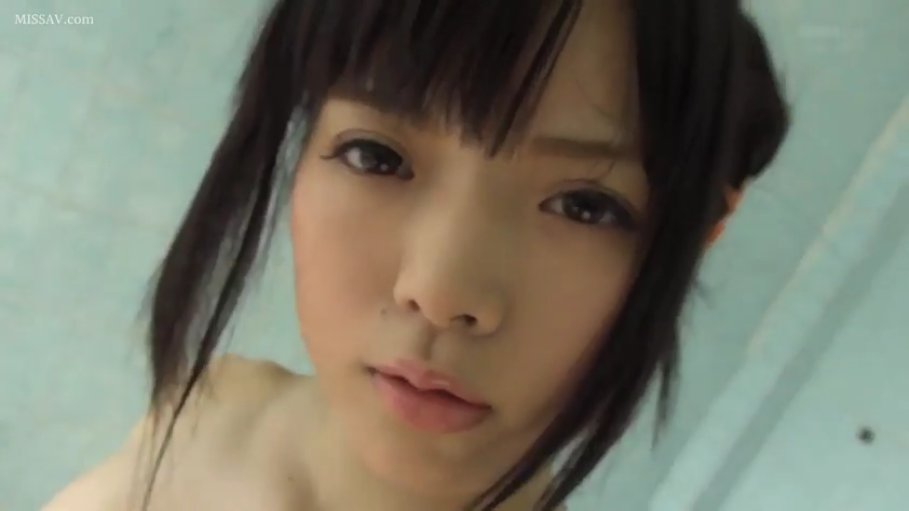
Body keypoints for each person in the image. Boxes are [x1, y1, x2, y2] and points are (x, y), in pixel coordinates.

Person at [43, 0, 789, 510]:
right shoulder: (208, 409)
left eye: (584, 206)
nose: (439, 291)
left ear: (701, 232)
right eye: (376, 156)